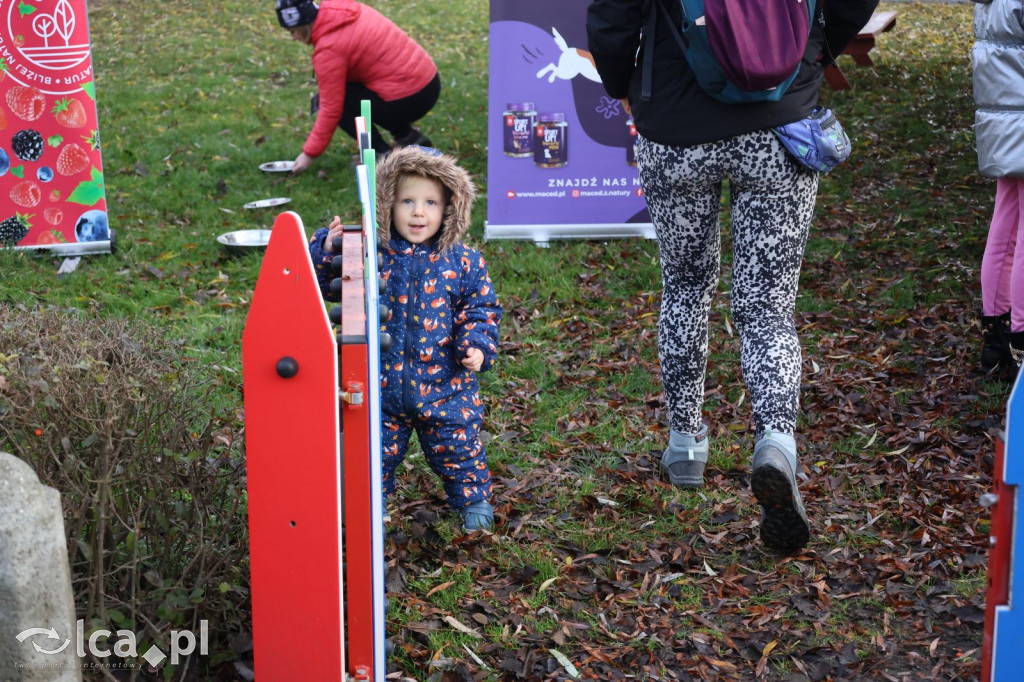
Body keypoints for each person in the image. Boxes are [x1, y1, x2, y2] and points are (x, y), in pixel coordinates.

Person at [587, 0, 876, 553]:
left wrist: (621, 82)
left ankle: (686, 444)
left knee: (687, 285)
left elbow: (611, 16)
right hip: (781, 124)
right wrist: (808, 54)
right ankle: (775, 440)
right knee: (767, 306)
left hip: (673, 124)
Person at [308, 146, 503, 531]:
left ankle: (473, 500)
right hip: (379, 383)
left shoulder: (463, 261)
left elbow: (481, 308)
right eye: (407, 201)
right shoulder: (369, 254)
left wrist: (476, 345)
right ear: (386, 204)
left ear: (449, 206)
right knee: (371, 450)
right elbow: (327, 287)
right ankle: (369, 505)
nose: (418, 212)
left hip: (446, 385)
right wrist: (327, 248)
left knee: (460, 448)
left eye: (430, 202)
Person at [275, 0, 440, 173]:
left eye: (292, 31)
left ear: (304, 25)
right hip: (428, 82)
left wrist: (309, 154)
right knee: (347, 89)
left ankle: (381, 155)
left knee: (339, 100)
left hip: (409, 97)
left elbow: (331, 109)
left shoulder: (329, 50)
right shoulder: (343, 11)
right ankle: (408, 137)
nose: (292, 38)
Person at [973, 0, 1024, 377]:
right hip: (1018, 114)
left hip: (1006, 121)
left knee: (1006, 226)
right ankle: (1021, 337)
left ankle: (996, 341)